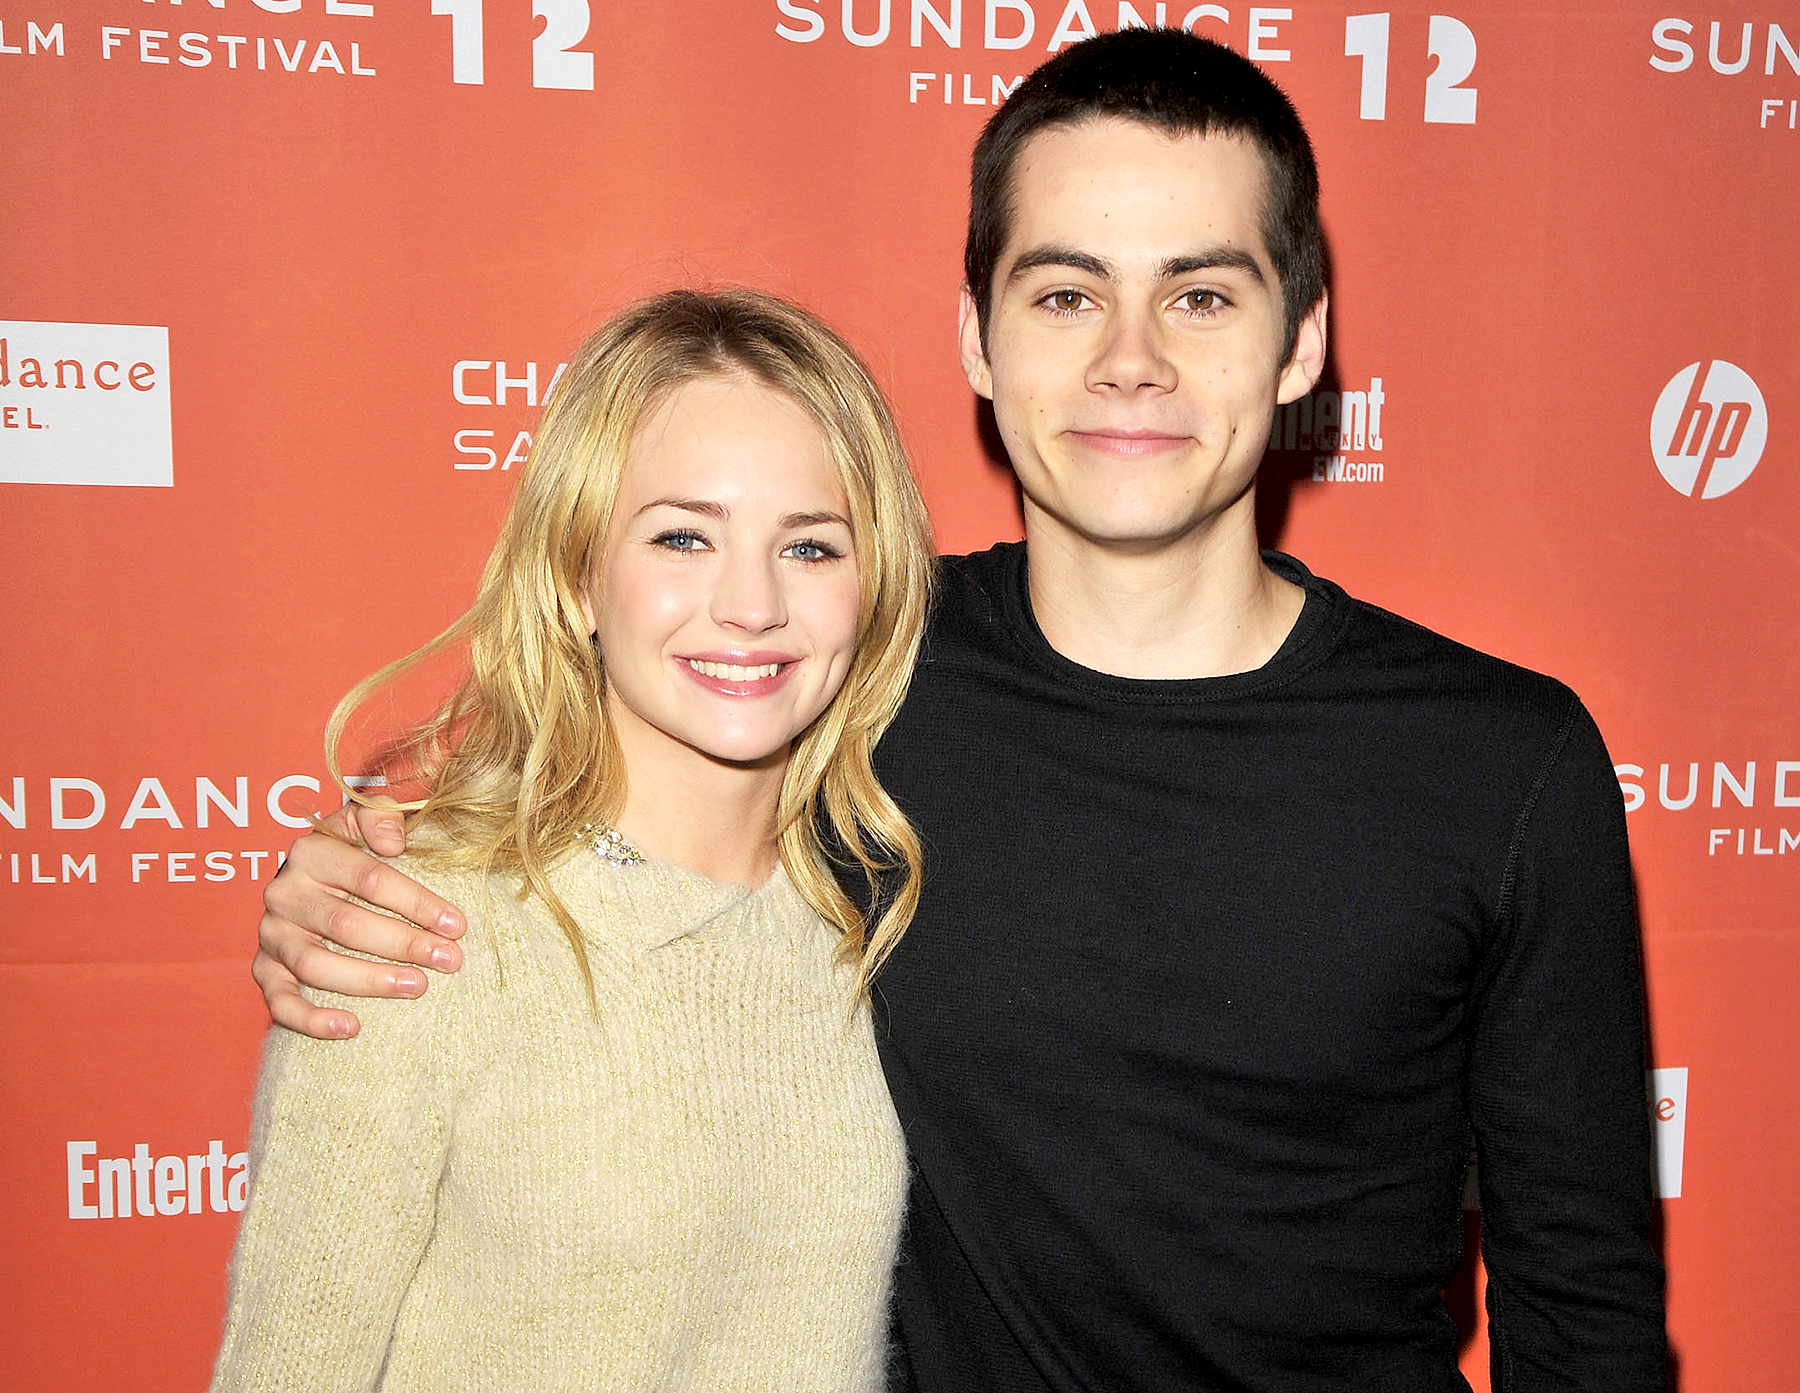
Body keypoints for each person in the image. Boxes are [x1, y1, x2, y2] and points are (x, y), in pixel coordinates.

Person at [249, 29, 1667, 1393]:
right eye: (1065, 293)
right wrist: (352, 883)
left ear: (1301, 341)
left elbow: (1583, 1303)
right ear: (980, 345)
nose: (1130, 358)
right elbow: (585, 788)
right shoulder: (848, 668)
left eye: (1202, 294)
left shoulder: (1499, 762)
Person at [211, 288, 936, 1392]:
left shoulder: (866, 914)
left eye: (812, 546)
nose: (750, 603)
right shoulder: (416, 931)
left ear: (871, 585)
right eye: (684, 536)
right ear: (575, 574)